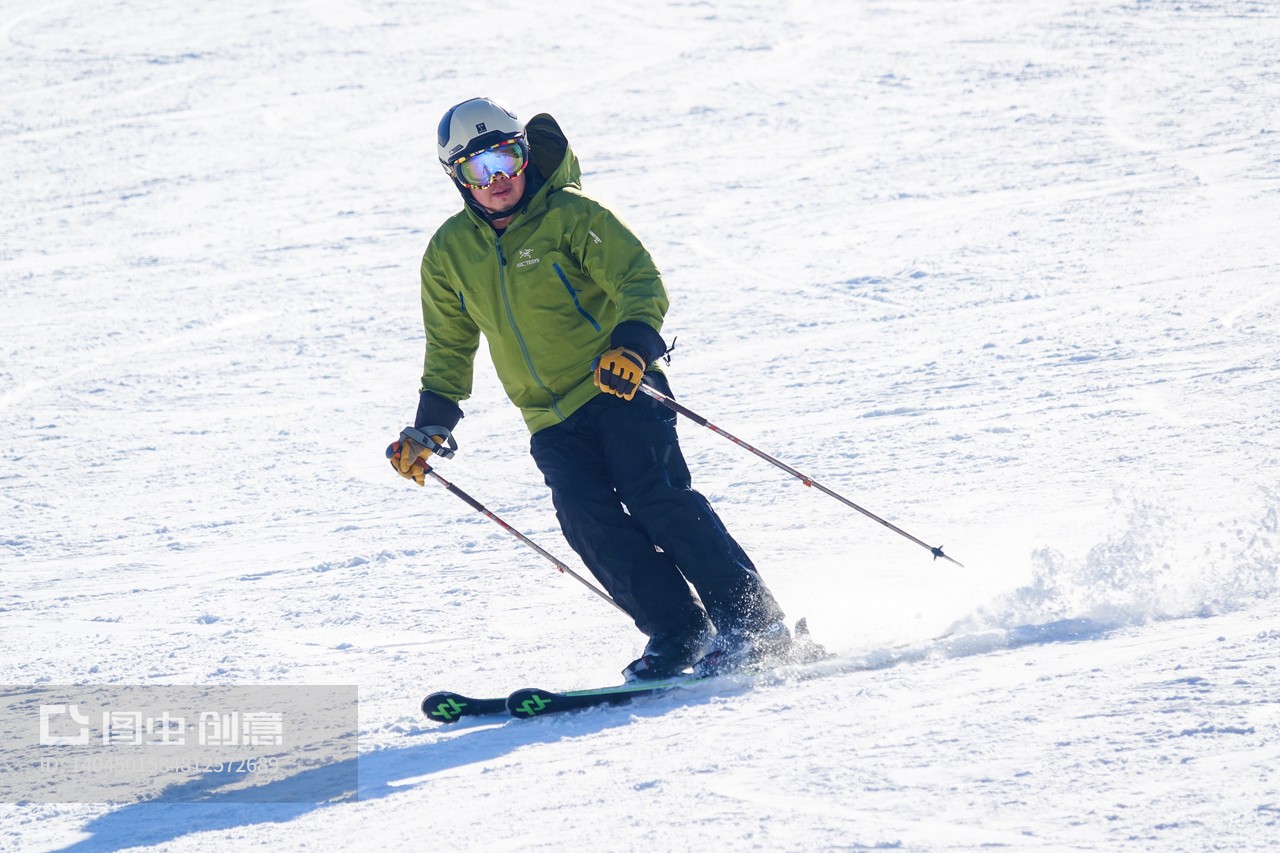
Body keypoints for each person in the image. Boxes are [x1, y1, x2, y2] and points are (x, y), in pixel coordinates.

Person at [390, 96, 796, 681]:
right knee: (589, 523)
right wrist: (430, 427)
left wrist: (631, 348)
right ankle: (680, 633)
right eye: (480, 168)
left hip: (620, 387)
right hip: (547, 417)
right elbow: (450, 347)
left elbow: (639, 281)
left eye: (506, 156)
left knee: (656, 498)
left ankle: (755, 624)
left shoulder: (573, 216)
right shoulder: (450, 252)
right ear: (458, 178)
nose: (499, 178)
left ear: (525, 153)